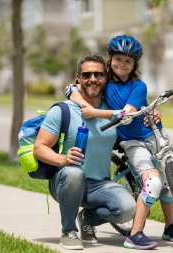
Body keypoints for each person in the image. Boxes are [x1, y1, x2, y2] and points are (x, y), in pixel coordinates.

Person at [65, 35, 173, 250]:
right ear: (110, 60)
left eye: (128, 61)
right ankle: (135, 233)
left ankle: (170, 227)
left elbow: (127, 113)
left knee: (168, 184)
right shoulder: (104, 83)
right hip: (131, 142)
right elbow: (71, 89)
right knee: (153, 184)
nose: (122, 64)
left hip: (153, 135)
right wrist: (84, 103)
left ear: (135, 65)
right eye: (118, 59)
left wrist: (95, 112)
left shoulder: (139, 86)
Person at [34, 52, 136, 250]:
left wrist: (153, 113)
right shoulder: (62, 110)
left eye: (99, 75)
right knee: (74, 172)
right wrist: (63, 159)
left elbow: (134, 113)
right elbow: (39, 148)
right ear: (78, 77)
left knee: (128, 209)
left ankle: (87, 219)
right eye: (87, 75)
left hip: (100, 185)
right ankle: (68, 231)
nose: (93, 79)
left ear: (106, 78)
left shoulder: (112, 109)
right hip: (66, 180)